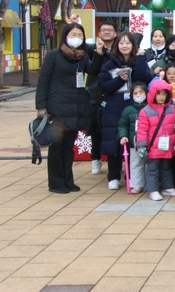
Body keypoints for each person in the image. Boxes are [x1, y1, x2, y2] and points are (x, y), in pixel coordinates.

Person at [36, 23, 95, 193]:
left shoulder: (82, 57)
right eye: (73, 34)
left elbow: (93, 70)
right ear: (65, 36)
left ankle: (68, 180)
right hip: (56, 108)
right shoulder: (54, 55)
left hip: (75, 107)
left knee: (69, 146)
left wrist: (98, 53)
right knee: (57, 146)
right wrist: (41, 106)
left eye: (80, 35)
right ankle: (55, 182)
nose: (76, 38)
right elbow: (43, 82)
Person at [99, 32, 151, 190]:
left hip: (134, 105)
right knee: (114, 139)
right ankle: (113, 175)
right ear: (117, 45)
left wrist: (141, 58)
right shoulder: (109, 64)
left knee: (133, 139)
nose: (124, 46)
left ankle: (132, 175)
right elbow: (104, 86)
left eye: (128, 43)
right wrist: (119, 79)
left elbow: (145, 78)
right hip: (114, 106)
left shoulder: (138, 60)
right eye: (121, 43)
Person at [136, 79, 175, 201]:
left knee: (166, 167)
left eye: (164, 94)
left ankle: (168, 187)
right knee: (152, 169)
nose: (161, 97)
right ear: (153, 94)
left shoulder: (172, 109)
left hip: (167, 146)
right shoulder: (145, 111)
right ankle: (153, 190)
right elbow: (142, 130)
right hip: (152, 146)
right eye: (158, 94)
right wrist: (142, 145)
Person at [86, 20, 118, 175]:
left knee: (113, 130)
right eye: (103, 30)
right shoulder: (91, 49)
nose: (107, 32)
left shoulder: (118, 50)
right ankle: (95, 159)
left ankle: (116, 163)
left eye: (110, 30)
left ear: (115, 33)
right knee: (96, 130)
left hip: (113, 93)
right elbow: (92, 69)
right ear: (99, 33)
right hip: (95, 94)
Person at [118, 83, 149, 194]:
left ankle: (149, 183)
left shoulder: (150, 108)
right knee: (135, 163)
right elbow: (123, 125)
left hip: (148, 142)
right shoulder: (128, 110)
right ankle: (137, 184)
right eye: (135, 93)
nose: (138, 95)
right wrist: (123, 136)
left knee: (149, 163)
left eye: (141, 92)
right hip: (134, 142)